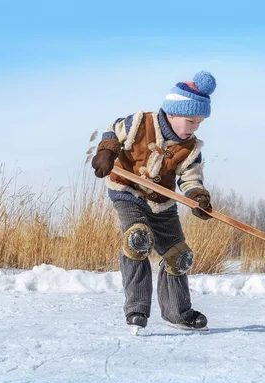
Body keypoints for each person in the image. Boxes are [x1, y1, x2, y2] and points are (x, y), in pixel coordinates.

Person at [91, 71, 217, 333]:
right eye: (190, 120)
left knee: (179, 256)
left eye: (199, 123)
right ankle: (136, 309)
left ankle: (177, 313)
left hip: (163, 203)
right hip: (127, 192)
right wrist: (105, 151)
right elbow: (113, 131)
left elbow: (191, 179)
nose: (194, 127)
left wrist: (198, 198)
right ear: (172, 113)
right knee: (138, 240)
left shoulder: (191, 148)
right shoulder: (139, 123)